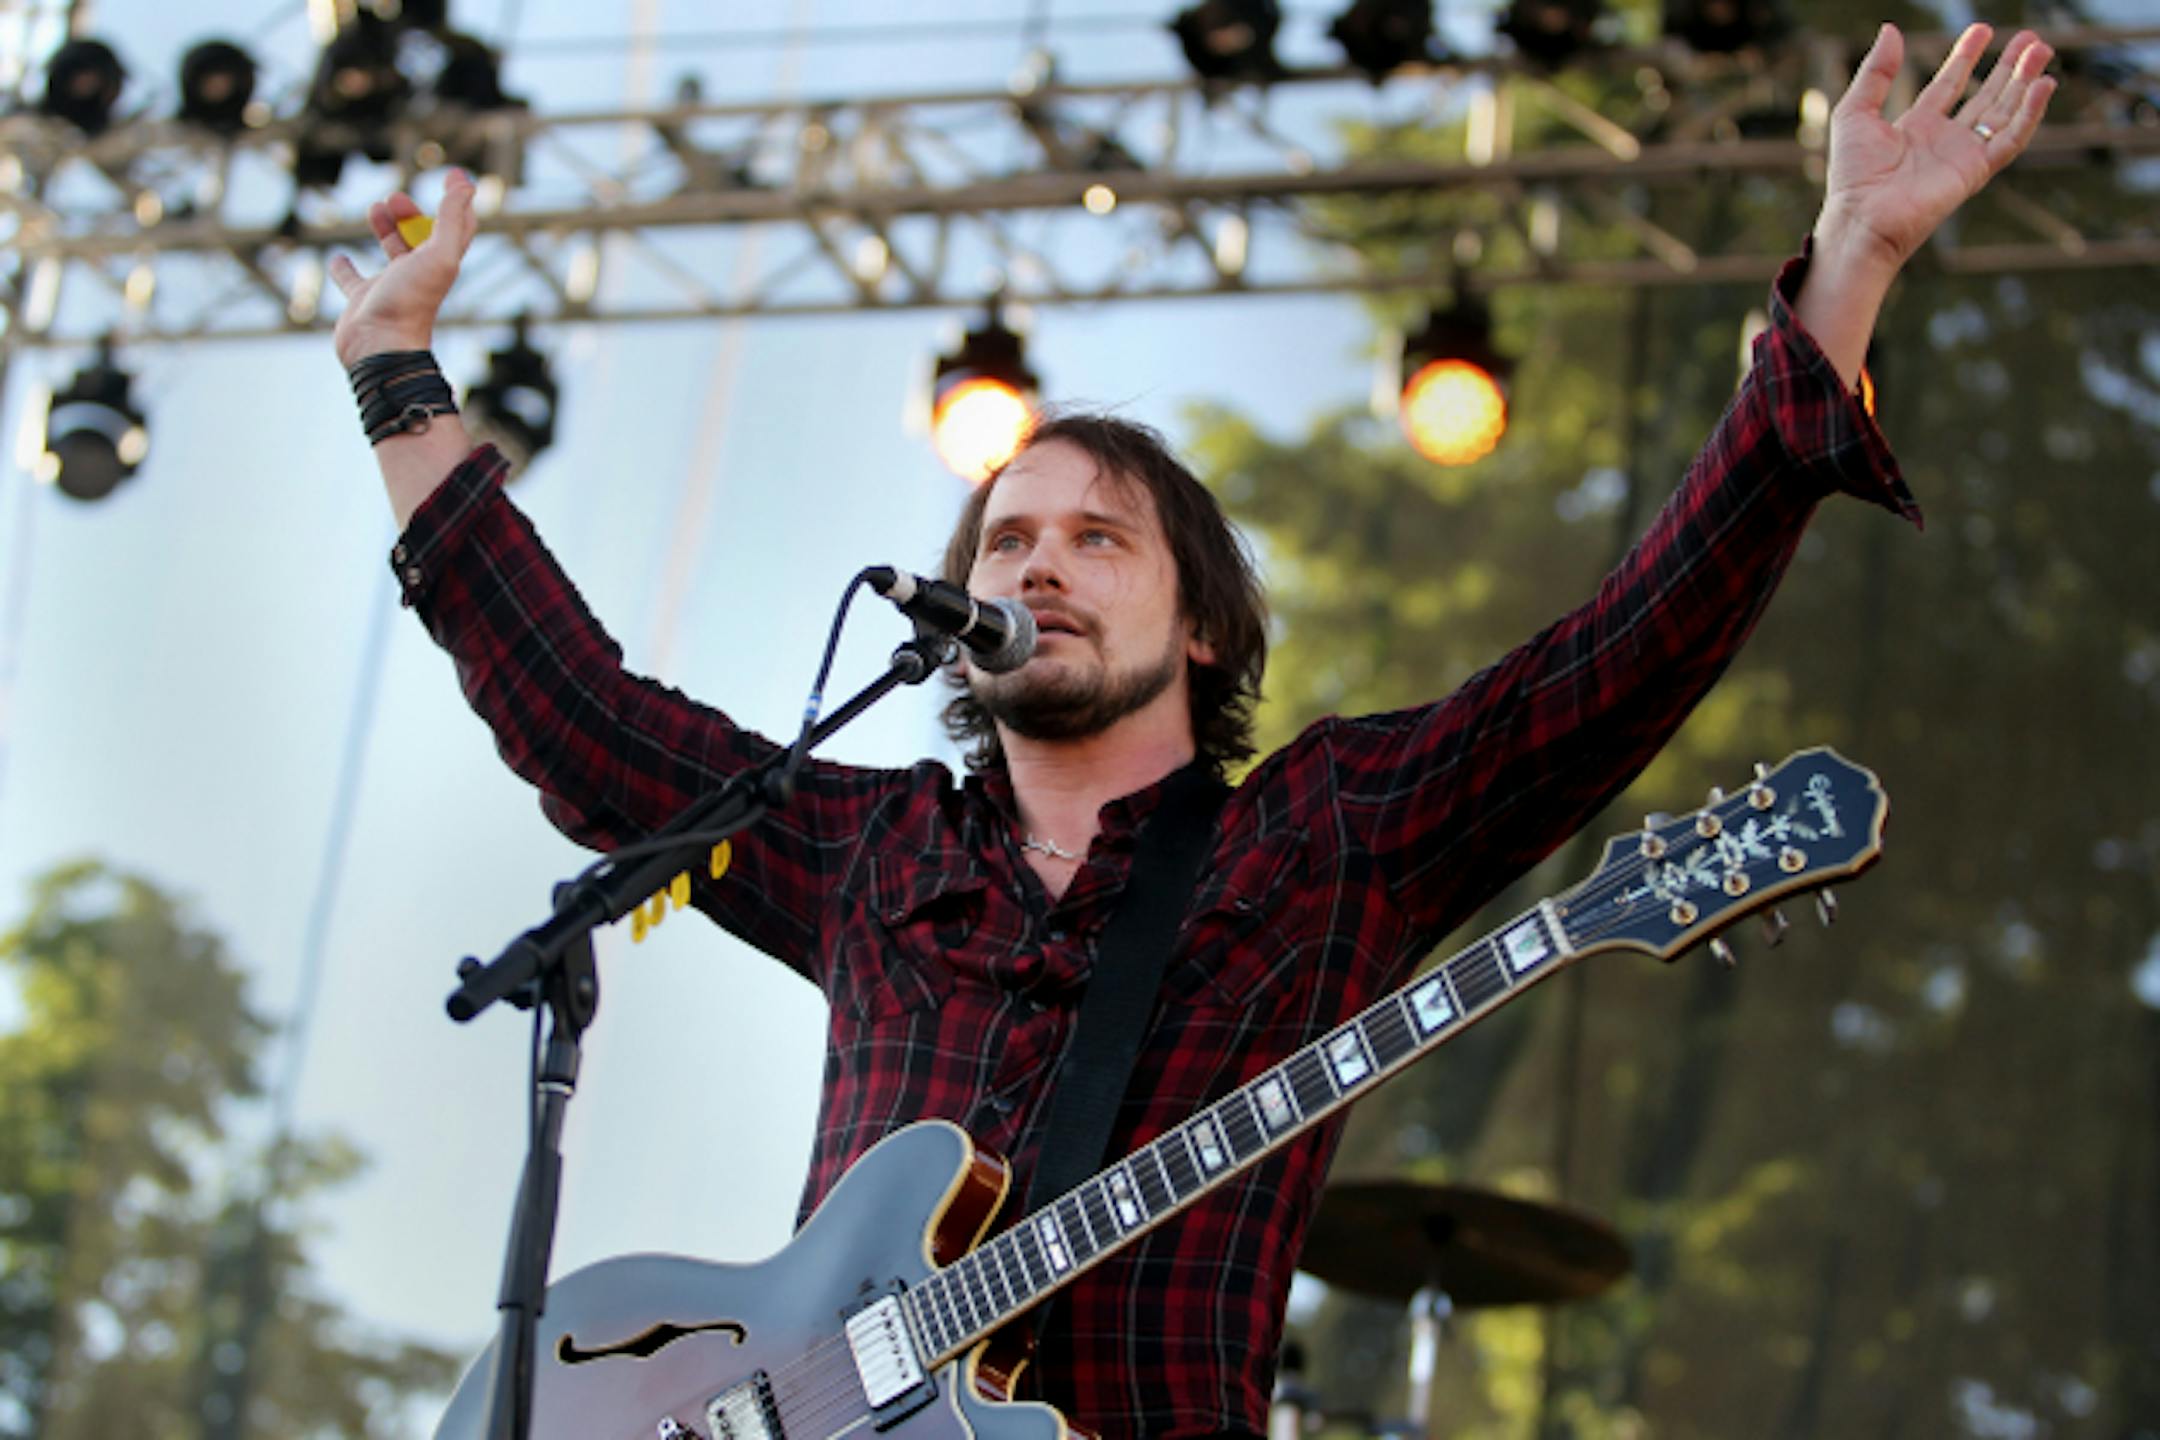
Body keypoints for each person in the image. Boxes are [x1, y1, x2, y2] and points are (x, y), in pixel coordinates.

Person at [330, 24, 2054, 1439]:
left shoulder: (1326, 836)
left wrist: (1846, 271)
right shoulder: (871, 854)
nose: (1039, 565)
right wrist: (403, 376)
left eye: (1098, 539)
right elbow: (585, 722)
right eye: (1006, 539)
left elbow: (1615, 657)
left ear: (1204, 619)